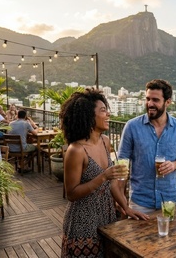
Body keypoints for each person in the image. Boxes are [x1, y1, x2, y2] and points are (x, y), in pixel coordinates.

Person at [60, 88, 148, 258]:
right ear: (88, 116)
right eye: (103, 110)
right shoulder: (76, 150)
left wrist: (126, 208)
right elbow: (71, 193)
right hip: (83, 222)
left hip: (107, 218)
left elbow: (113, 183)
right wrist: (103, 176)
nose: (108, 114)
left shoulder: (105, 141)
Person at [118, 79, 176, 213]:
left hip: (170, 201)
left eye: (155, 100)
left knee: (169, 234)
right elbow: (122, 164)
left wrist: (174, 165)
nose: (150, 104)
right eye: (147, 99)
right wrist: (122, 201)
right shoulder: (131, 126)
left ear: (168, 102)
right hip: (140, 203)